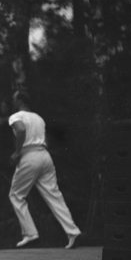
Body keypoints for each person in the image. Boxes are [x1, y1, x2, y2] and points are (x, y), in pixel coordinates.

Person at [8, 91, 82, 249]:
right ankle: (72, 231)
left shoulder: (16, 116)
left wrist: (17, 152)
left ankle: (30, 233)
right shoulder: (39, 118)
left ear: (20, 101)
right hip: (45, 155)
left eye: (15, 99)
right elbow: (45, 139)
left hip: (29, 156)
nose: (13, 102)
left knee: (16, 195)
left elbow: (20, 130)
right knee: (54, 195)